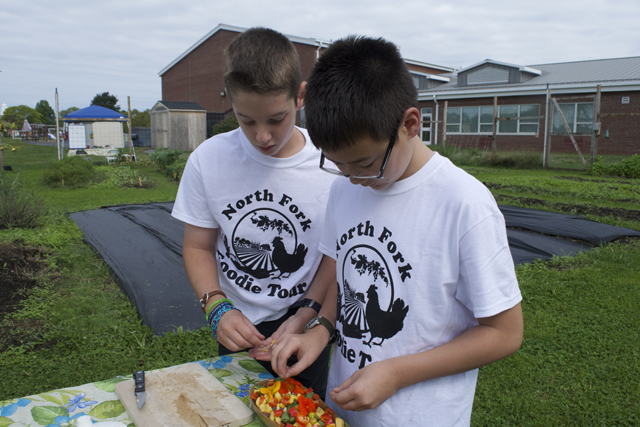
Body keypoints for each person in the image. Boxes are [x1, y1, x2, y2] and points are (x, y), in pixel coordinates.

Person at [270, 35, 524, 426]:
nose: (353, 179)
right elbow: (344, 276)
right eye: (338, 164)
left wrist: (395, 373)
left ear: (409, 124)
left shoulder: (464, 205)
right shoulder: (343, 190)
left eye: (365, 162)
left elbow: (505, 333)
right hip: (346, 410)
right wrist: (320, 330)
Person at [171, 27, 336, 398]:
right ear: (229, 101)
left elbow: (334, 252)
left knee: (300, 412)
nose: (262, 136)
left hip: (304, 321)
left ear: (300, 96)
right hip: (235, 320)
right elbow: (198, 246)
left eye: (276, 119)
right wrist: (215, 306)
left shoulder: (330, 163)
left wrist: (306, 315)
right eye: (246, 120)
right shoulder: (208, 160)